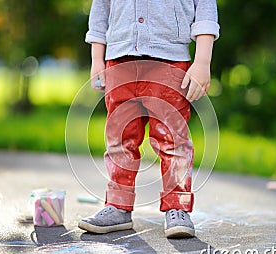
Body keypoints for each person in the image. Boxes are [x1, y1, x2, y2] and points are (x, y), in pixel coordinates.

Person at [78, 0, 220, 238]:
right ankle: (118, 205)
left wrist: (202, 61)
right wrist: (96, 59)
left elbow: (205, 7)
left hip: (170, 62)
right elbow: (101, 8)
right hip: (119, 61)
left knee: (173, 140)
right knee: (119, 139)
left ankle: (177, 206)